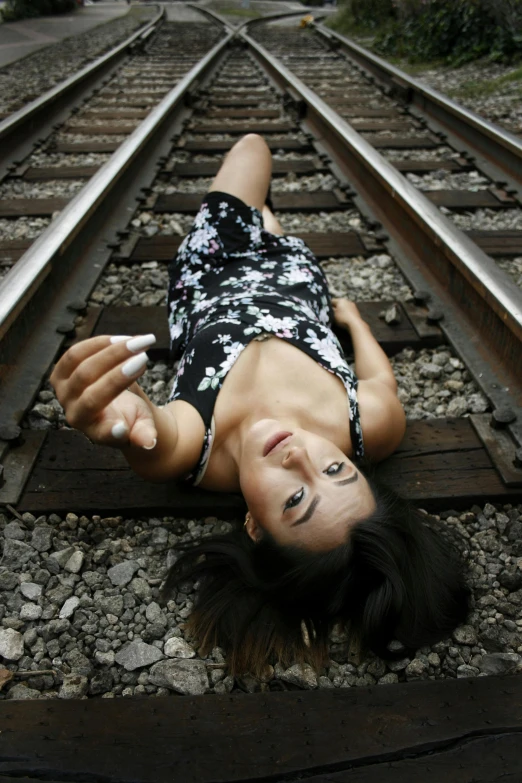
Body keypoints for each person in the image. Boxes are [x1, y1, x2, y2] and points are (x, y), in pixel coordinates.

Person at [51, 134, 470, 677]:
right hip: (296, 282)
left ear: (253, 527)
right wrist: (357, 325)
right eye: (336, 470)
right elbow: (380, 379)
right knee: (270, 222)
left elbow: (151, 435)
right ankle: (265, 218)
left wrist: (121, 413)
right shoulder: (369, 425)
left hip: (213, 267)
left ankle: (255, 213)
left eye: (296, 499)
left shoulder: (196, 450)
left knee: (252, 149)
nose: (301, 457)